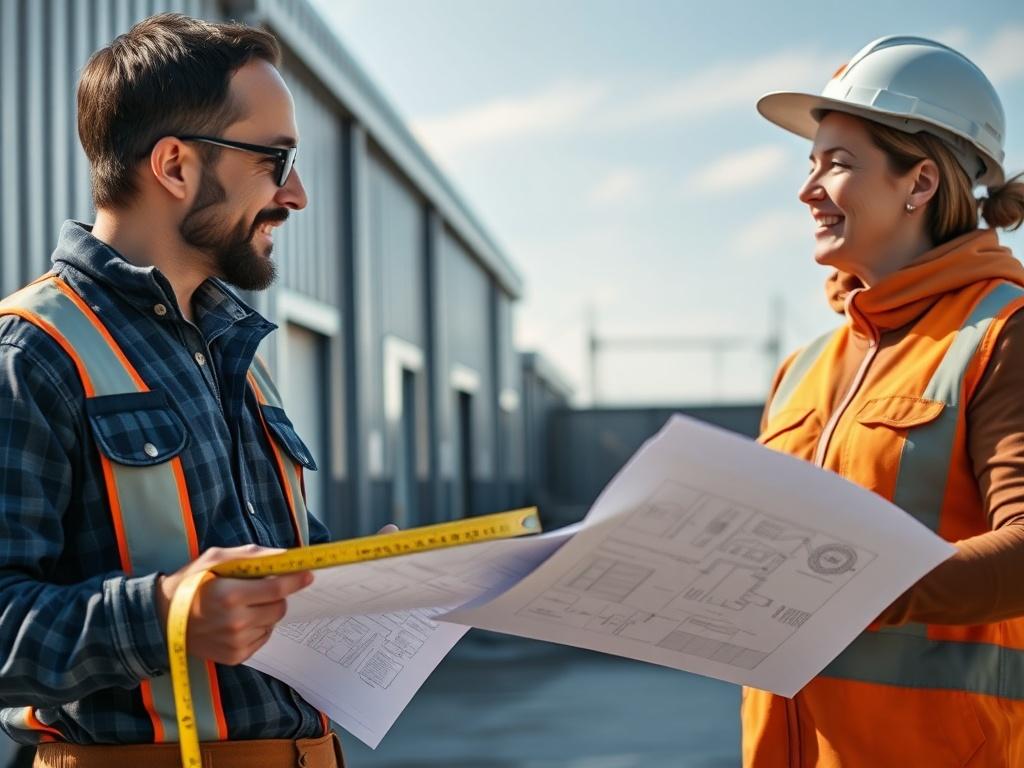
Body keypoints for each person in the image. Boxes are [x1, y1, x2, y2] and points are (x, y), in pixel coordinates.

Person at [0, 13, 346, 768]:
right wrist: (163, 617)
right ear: (176, 166)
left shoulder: (233, 350)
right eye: (275, 161)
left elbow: (270, 567)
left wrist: (364, 577)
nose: (297, 196)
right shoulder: (31, 352)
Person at [746, 36, 1024, 766]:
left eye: (836, 164)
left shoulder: (1001, 335)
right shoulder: (803, 369)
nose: (808, 190)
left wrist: (836, 587)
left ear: (921, 183)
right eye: (810, 164)